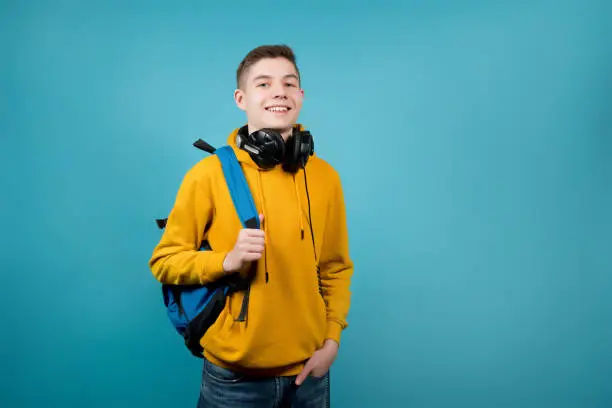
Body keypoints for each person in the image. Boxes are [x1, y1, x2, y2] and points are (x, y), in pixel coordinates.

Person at [148, 44, 354, 407]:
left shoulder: (326, 178)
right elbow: (165, 261)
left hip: (309, 374)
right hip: (233, 380)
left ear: (301, 96)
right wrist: (227, 261)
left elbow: (335, 268)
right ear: (241, 98)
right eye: (264, 84)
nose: (279, 91)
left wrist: (332, 341)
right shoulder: (209, 176)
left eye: (289, 83)